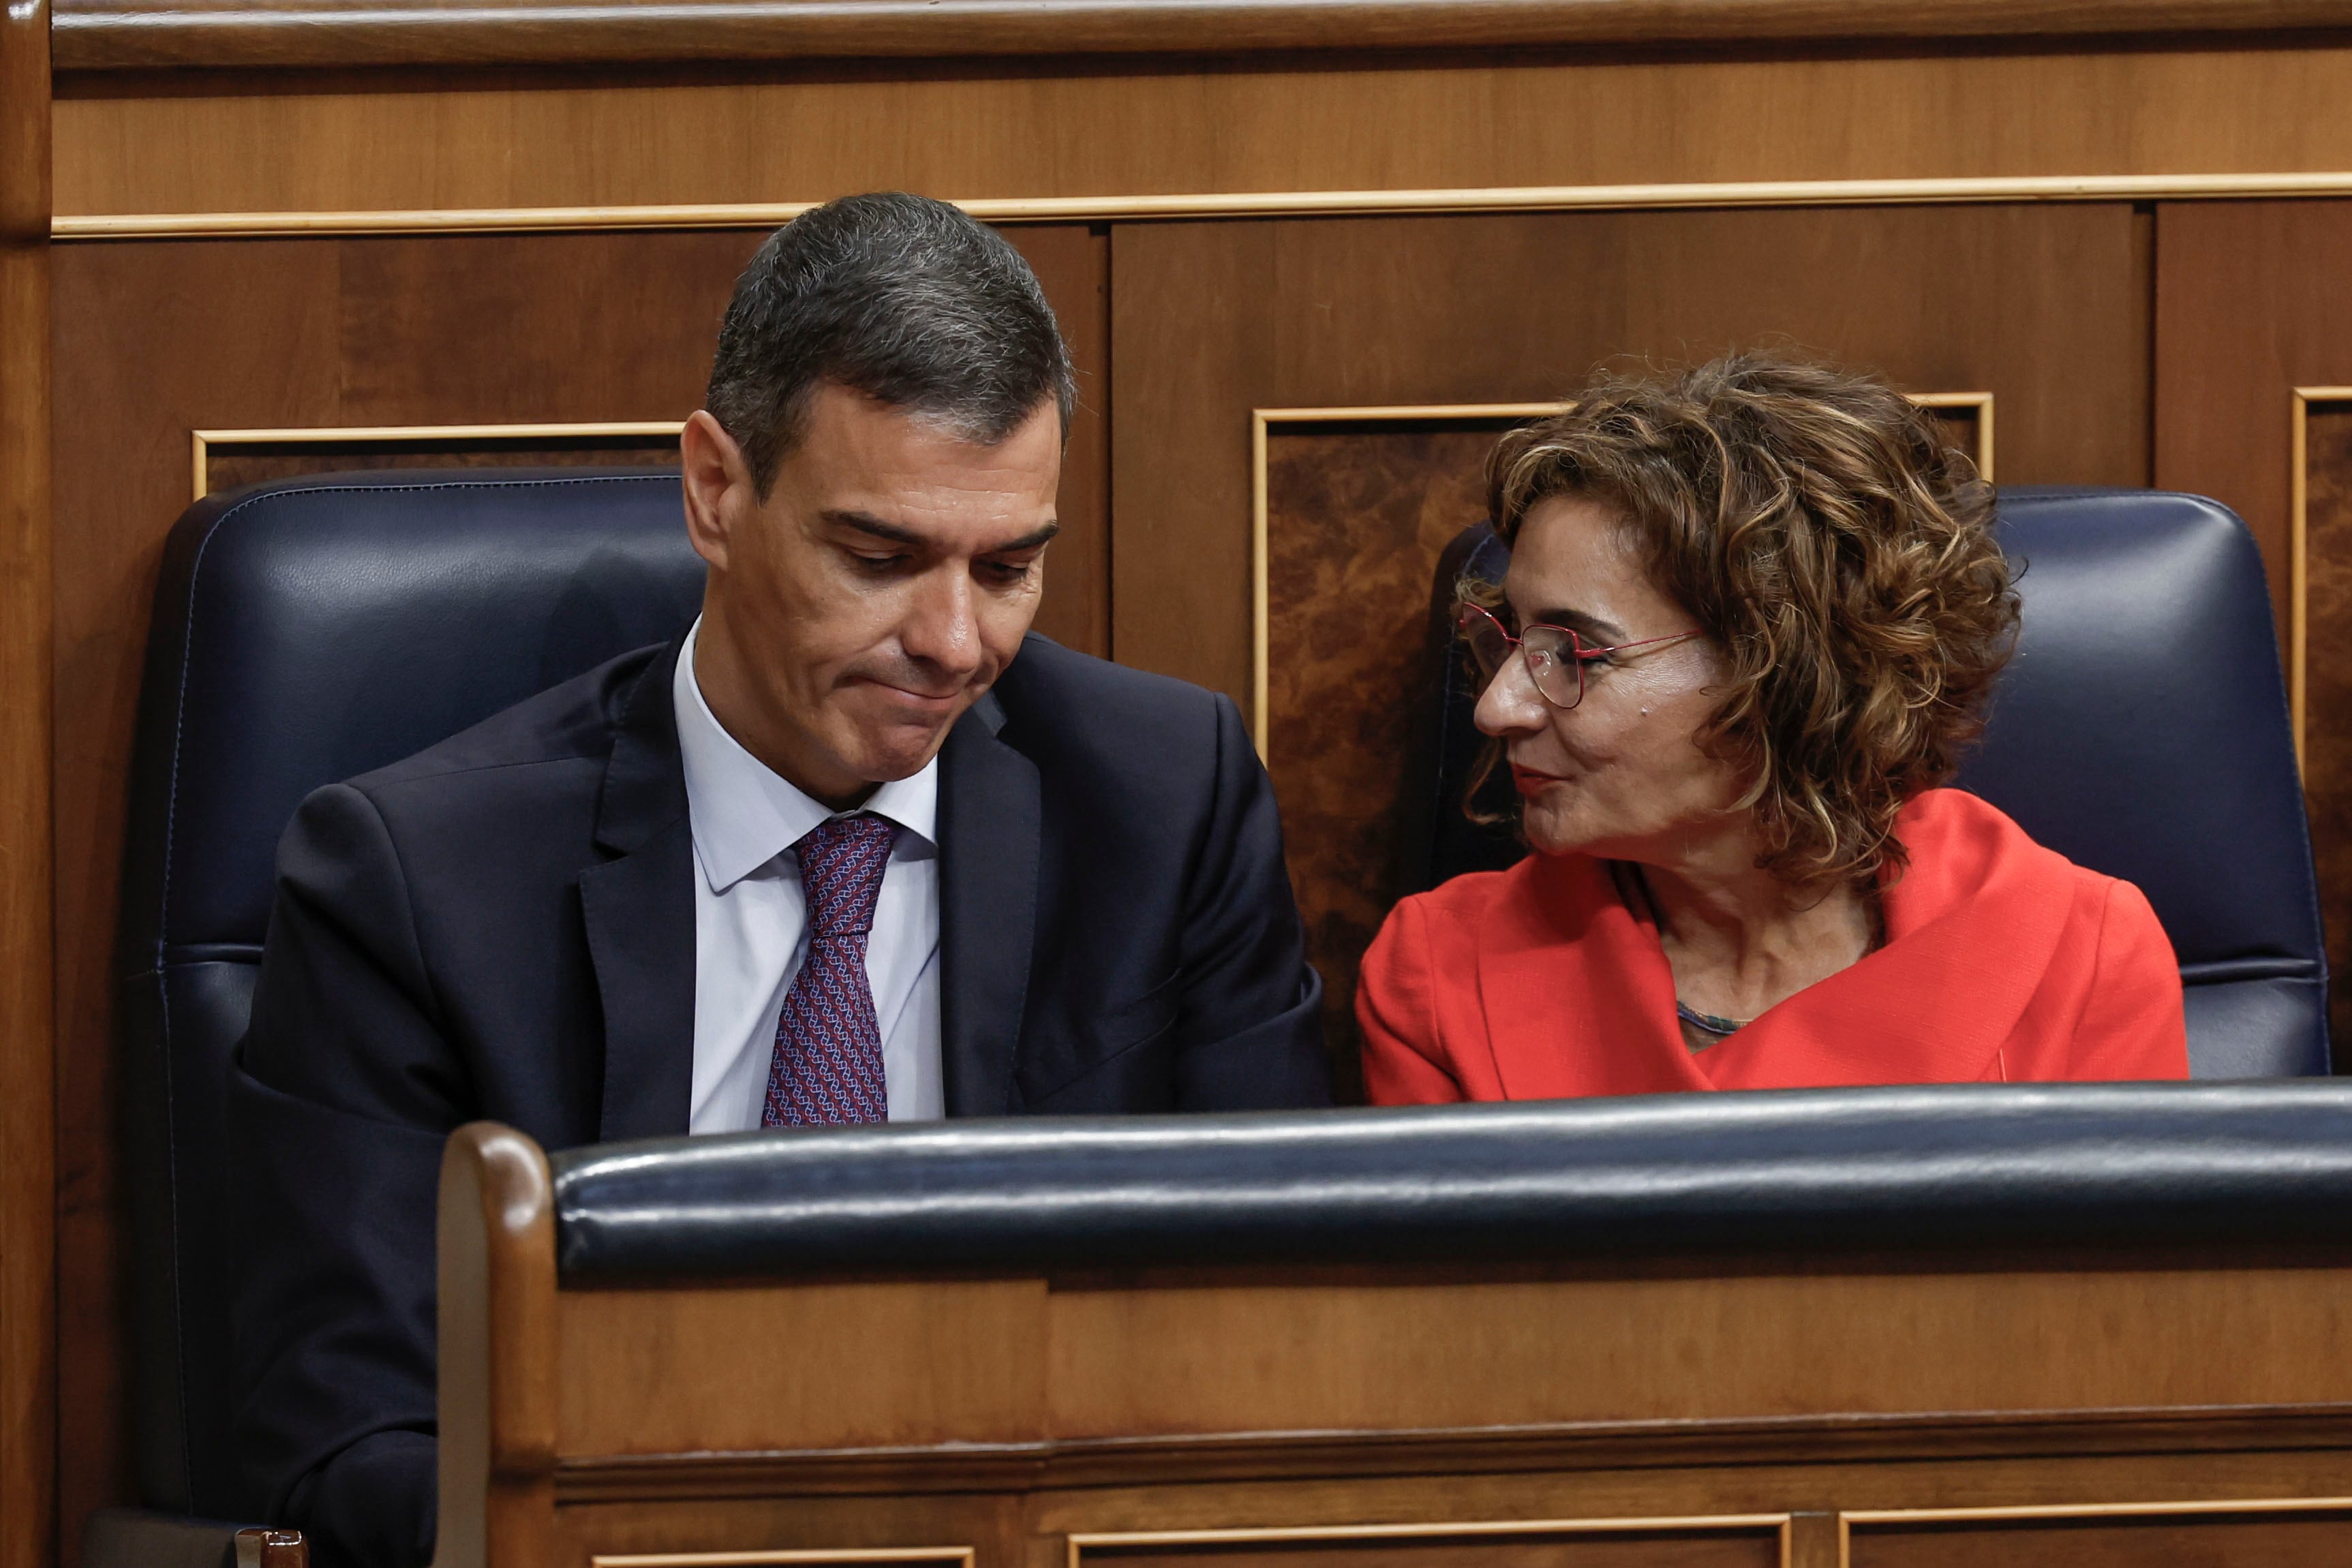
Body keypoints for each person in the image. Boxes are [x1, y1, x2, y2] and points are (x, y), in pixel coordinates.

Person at [229, 193, 1330, 1568]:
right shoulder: (417, 878)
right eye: (877, 558)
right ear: (715, 490)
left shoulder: (1167, 802)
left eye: (1009, 567)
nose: (951, 639)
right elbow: (345, 1432)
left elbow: (1279, 1330)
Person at [1358, 353, 2188, 1103]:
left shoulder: (2080, 954)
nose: (1496, 708)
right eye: (1509, 637)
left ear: (1787, 672)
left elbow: (2123, 1278)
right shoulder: (1436, 977)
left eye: (1575, 653)